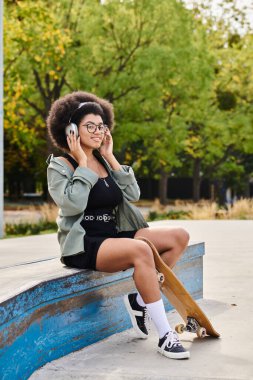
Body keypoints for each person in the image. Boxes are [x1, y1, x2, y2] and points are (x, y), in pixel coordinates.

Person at [46, 91, 190, 360]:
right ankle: (165, 335)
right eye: (90, 126)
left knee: (179, 237)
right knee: (141, 250)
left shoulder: (103, 161)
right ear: (72, 130)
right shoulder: (60, 166)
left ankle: (140, 300)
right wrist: (83, 163)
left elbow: (133, 194)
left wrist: (110, 157)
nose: (98, 131)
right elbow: (72, 206)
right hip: (85, 243)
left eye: (101, 126)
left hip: (115, 233)